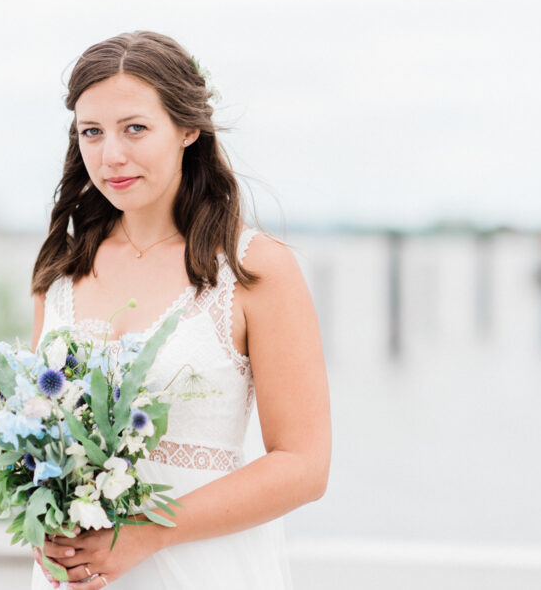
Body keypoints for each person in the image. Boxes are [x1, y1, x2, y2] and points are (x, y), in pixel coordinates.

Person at [28, 31, 330, 589]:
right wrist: (41, 519)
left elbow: (304, 466)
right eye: (92, 131)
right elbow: (37, 435)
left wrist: (149, 532)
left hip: (201, 570)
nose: (110, 155)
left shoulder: (254, 268)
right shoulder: (62, 269)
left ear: (188, 129)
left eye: (134, 128)